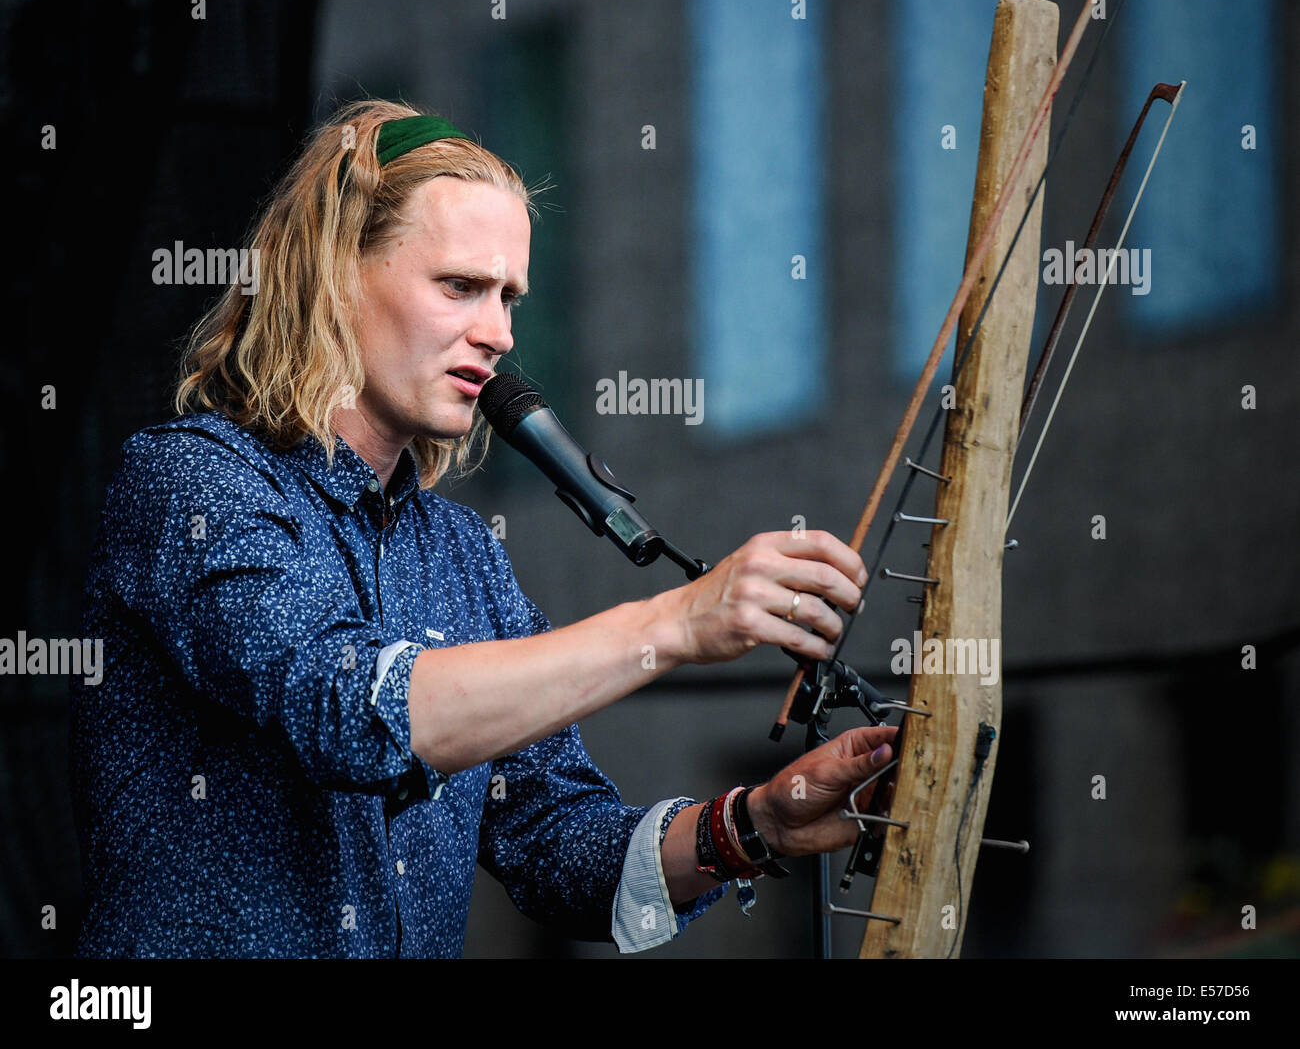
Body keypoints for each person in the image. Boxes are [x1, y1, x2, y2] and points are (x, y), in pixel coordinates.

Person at [70, 99, 894, 958]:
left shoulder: (463, 555)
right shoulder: (191, 479)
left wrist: (751, 823)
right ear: (332, 275)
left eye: (509, 297)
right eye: (459, 286)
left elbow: (560, 846)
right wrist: (679, 621)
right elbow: (352, 711)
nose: (498, 332)